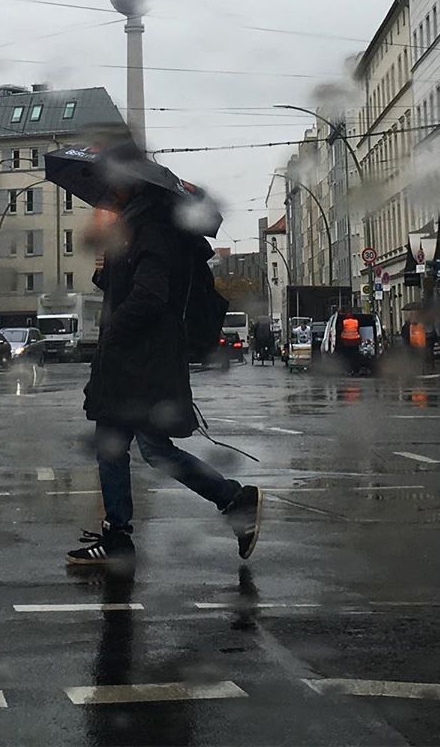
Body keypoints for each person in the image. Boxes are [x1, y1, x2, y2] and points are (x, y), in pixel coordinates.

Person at [67, 149, 262, 568]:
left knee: (143, 448)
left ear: (132, 184)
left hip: (139, 362)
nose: (107, 190)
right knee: (129, 447)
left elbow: (151, 296)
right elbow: (134, 286)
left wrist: (115, 332)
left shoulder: (150, 228)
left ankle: (230, 499)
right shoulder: (136, 227)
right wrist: (105, 272)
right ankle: (122, 532)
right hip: (134, 361)